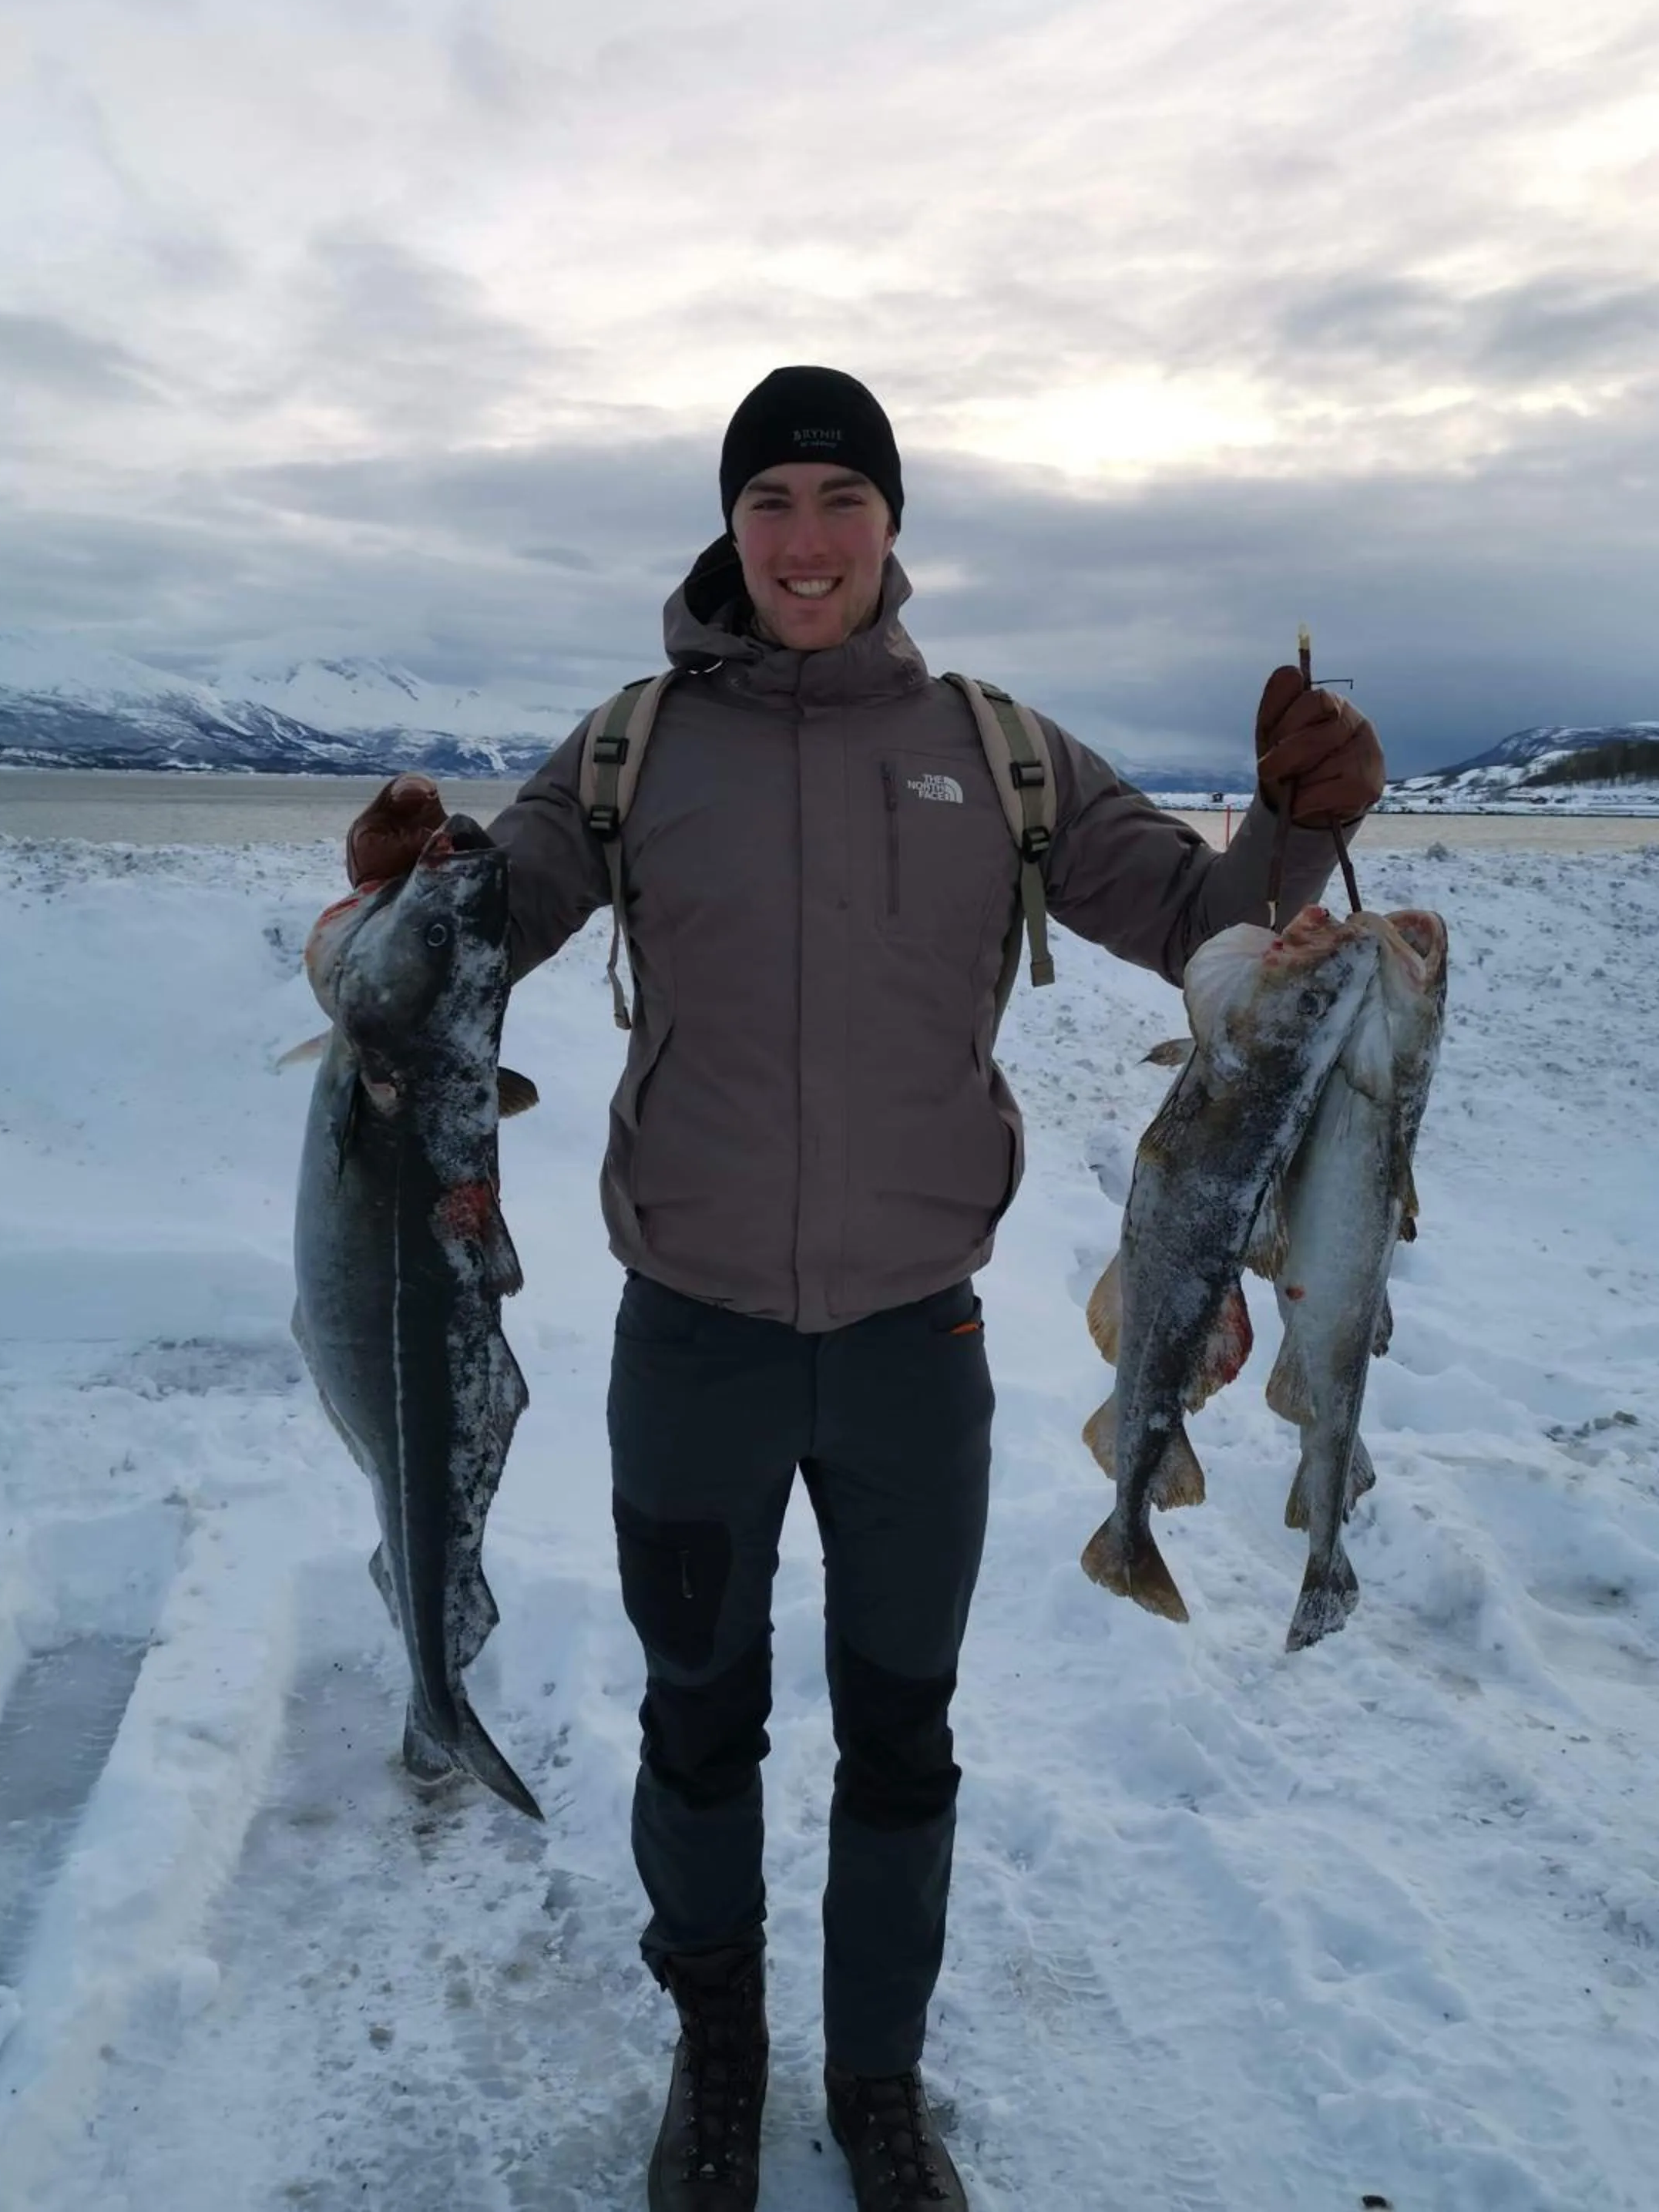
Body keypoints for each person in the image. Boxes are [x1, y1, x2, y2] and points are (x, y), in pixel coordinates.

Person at [344, 367, 1385, 2212]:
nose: (806, 540)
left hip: (918, 1342)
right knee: (697, 1721)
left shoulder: (999, 751)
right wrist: (390, 913)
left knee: (905, 1733)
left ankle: (880, 2081)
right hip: (695, 1341)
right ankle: (719, 2061)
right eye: (772, 501)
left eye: (842, 499)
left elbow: (1197, 922)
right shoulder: (633, 748)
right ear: (729, 526)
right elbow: (477, 926)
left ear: (893, 524)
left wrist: (1298, 827)